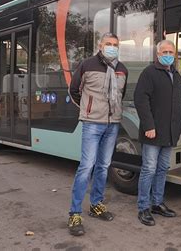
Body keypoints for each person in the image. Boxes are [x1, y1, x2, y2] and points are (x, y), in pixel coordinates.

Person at [67, 32, 128, 236]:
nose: (112, 47)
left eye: (115, 44)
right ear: (100, 45)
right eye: (108, 44)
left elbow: (121, 95)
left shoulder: (122, 69)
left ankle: (96, 205)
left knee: (103, 166)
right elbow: (74, 90)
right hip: (92, 124)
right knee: (86, 167)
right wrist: (88, 110)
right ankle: (75, 213)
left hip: (113, 124)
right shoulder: (88, 64)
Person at [134, 40, 181, 226]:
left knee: (163, 169)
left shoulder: (176, 75)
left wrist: (178, 126)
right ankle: (143, 207)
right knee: (149, 169)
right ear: (157, 54)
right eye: (165, 51)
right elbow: (140, 100)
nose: (169, 54)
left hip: (169, 133)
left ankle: (157, 203)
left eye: (171, 51)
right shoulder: (149, 73)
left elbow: (179, 103)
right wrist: (148, 126)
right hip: (152, 133)